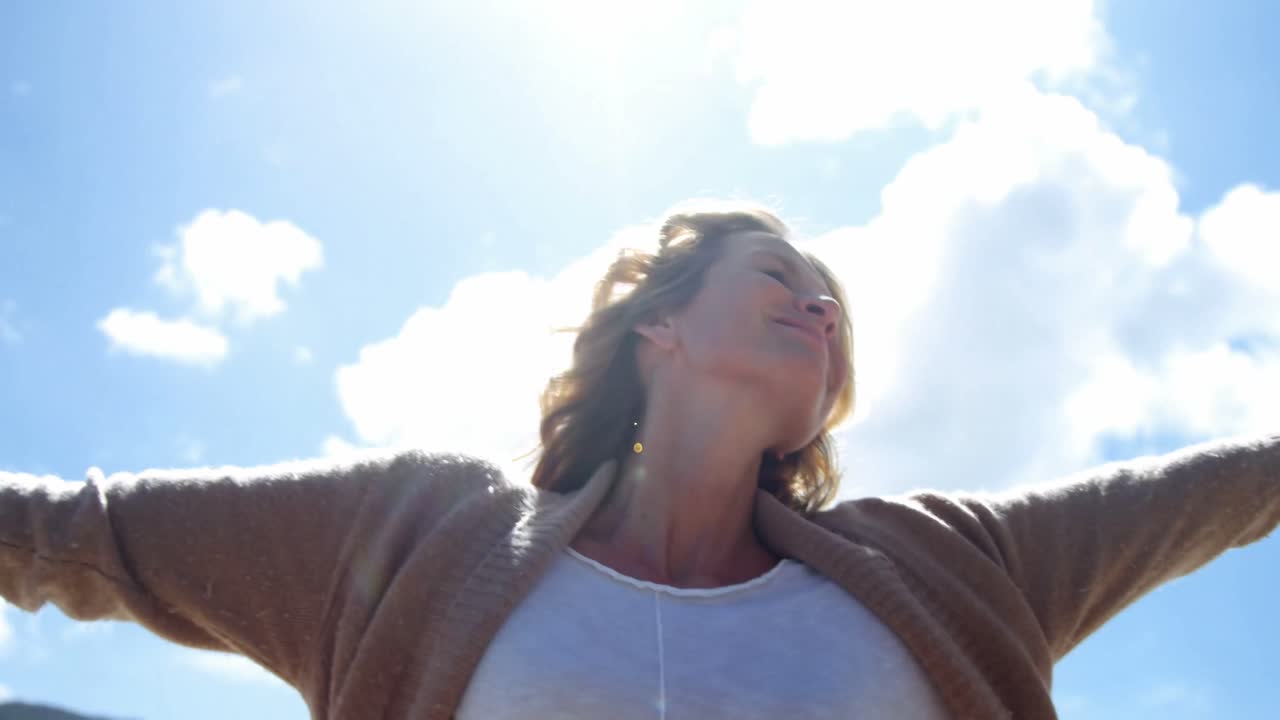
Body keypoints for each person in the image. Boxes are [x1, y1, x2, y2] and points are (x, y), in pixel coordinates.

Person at [1, 200, 1277, 720]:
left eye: (834, 306)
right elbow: (76, 534)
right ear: (655, 323)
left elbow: (1215, 493)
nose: (820, 309)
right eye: (782, 278)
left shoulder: (946, 562)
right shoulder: (417, 540)